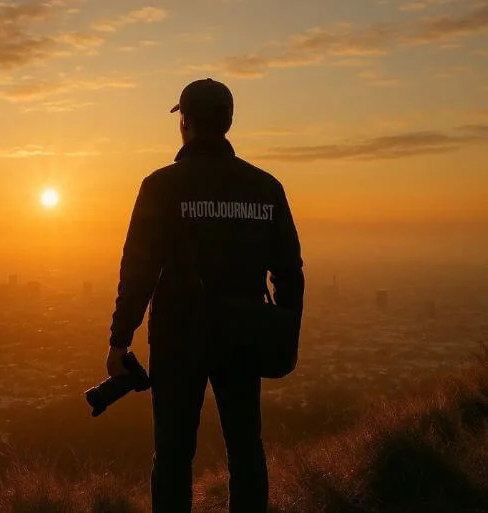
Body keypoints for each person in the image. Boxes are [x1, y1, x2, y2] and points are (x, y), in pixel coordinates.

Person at [106, 78, 305, 513]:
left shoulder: (161, 186)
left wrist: (120, 340)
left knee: (173, 455)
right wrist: (283, 333)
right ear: (229, 121)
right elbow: (289, 272)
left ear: (185, 123)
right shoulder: (265, 187)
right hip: (243, 334)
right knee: (246, 448)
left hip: (178, 338)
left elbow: (138, 270)